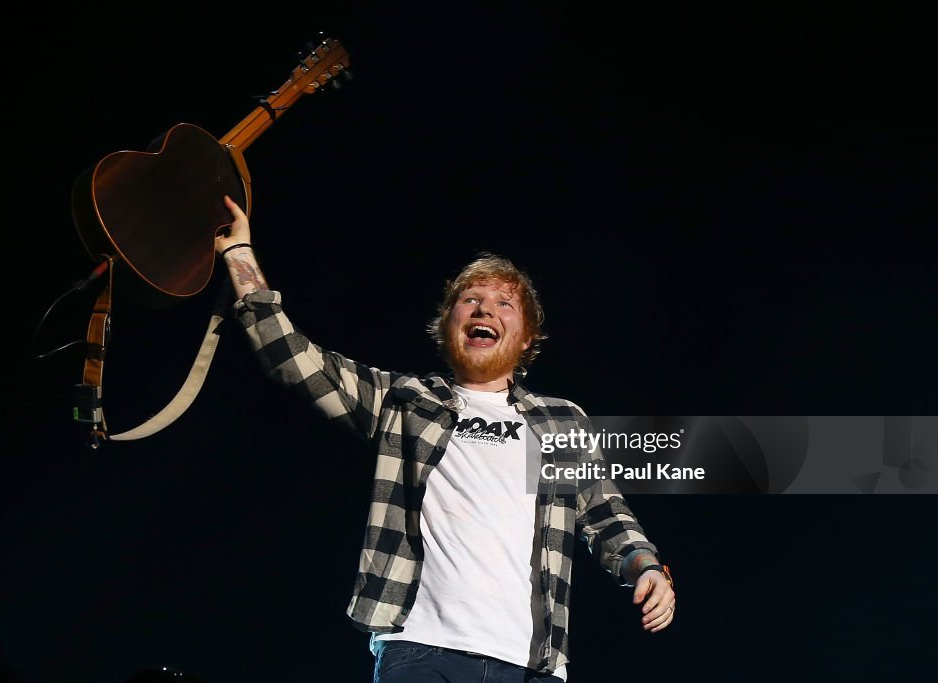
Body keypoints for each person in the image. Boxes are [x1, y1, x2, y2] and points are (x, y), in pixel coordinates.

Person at [215, 195, 675, 682]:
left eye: (504, 303)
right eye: (470, 299)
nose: (486, 310)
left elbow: (605, 516)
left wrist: (647, 567)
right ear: (450, 323)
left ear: (525, 338)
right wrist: (239, 252)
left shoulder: (561, 421)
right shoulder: (406, 402)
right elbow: (295, 360)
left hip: (531, 664)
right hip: (421, 648)